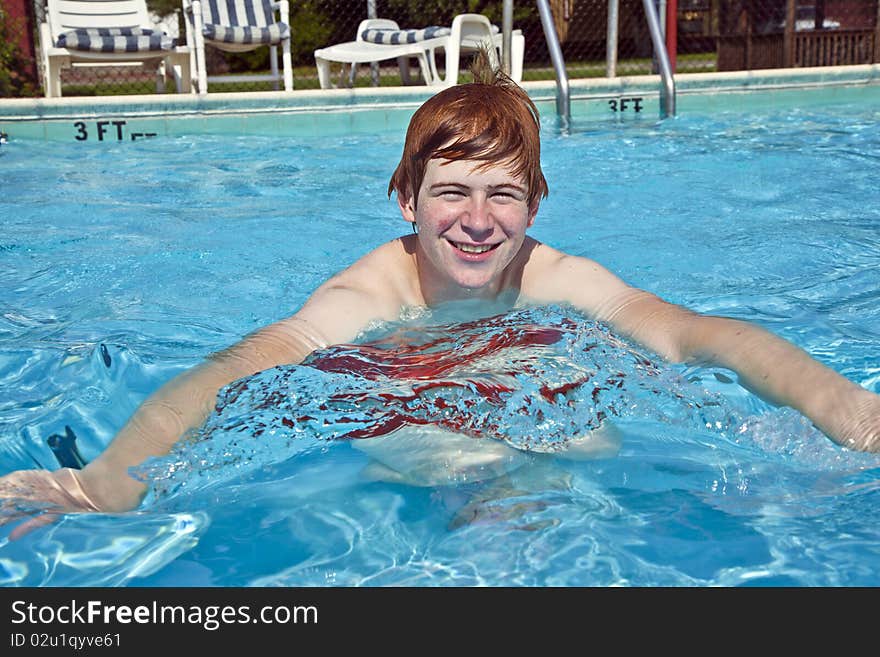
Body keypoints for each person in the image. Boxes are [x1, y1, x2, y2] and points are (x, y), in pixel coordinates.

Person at [1, 52, 878, 539]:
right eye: (451, 192)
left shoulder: (556, 275)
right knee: (488, 474)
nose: (477, 220)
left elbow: (700, 337)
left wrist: (850, 409)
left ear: (535, 205)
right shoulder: (366, 292)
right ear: (407, 199)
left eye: (503, 194)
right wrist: (103, 486)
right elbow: (235, 371)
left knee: (596, 445)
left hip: (525, 395)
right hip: (408, 407)